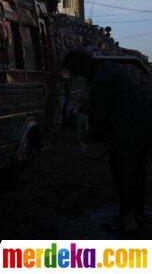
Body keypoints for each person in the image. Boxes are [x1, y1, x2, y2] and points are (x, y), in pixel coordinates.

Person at [63, 50, 149, 233]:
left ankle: (128, 222)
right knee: (137, 173)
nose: (78, 76)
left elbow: (101, 114)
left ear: (81, 66)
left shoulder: (100, 79)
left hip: (126, 130)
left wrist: (91, 135)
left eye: (76, 71)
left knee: (123, 173)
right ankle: (138, 215)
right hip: (142, 126)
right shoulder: (109, 69)